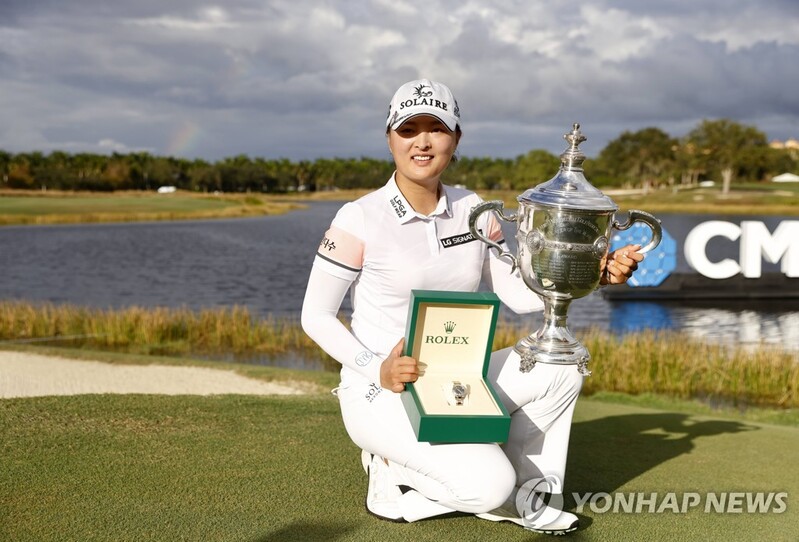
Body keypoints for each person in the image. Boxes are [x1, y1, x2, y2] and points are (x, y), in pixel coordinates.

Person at [301, 79, 643, 535]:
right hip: (383, 390)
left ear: (455, 139)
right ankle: (392, 468)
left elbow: (519, 297)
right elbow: (316, 316)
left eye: (436, 129)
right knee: (487, 485)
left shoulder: (475, 210)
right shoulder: (359, 216)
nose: (422, 142)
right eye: (408, 129)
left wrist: (587, 274)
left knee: (561, 365)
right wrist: (375, 367)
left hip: (459, 382)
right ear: (389, 138)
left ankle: (528, 493)